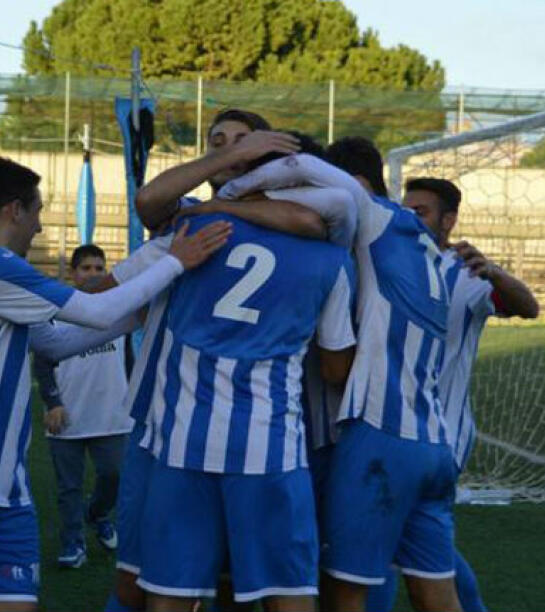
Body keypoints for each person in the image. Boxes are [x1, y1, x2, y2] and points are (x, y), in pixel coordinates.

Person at [0, 155, 230, 612]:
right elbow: (94, 311)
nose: (41, 228)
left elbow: (57, 343)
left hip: (4, 483)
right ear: (14, 210)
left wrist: (142, 312)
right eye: (37, 212)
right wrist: (174, 263)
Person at [103, 110, 341, 612]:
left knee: (178, 588)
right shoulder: (325, 246)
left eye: (243, 144)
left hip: (186, 438)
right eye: (218, 144)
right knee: (275, 588)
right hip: (227, 437)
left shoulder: (194, 228)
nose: (230, 152)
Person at [219, 141, 459, 612]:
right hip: (434, 441)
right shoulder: (428, 245)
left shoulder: (375, 218)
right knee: (436, 593)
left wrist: (230, 193)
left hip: (380, 436)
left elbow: (305, 167)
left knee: (343, 592)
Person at [135, 207, 356, 612]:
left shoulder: (197, 227)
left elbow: (115, 291)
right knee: (287, 590)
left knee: (170, 591)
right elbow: (335, 367)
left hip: (184, 440)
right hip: (270, 448)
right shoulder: (332, 257)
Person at [404, 176, 540, 612]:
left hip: (444, 435)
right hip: (392, 431)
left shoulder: (467, 274)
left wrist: (494, 270)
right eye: (406, 210)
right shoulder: (392, 263)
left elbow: (528, 306)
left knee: (400, 543)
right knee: (414, 543)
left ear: (449, 220)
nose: (410, 219)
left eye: (420, 211)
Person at [32, 245, 132, 570]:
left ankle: (99, 514)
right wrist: (52, 402)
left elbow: (127, 358)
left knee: (113, 474)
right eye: (86, 268)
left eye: (98, 267)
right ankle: (73, 543)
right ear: (73, 274)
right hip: (68, 415)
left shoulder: (118, 310)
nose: (93, 273)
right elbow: (43, 362)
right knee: (69, 487)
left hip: (113, 416)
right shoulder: (54, 313)